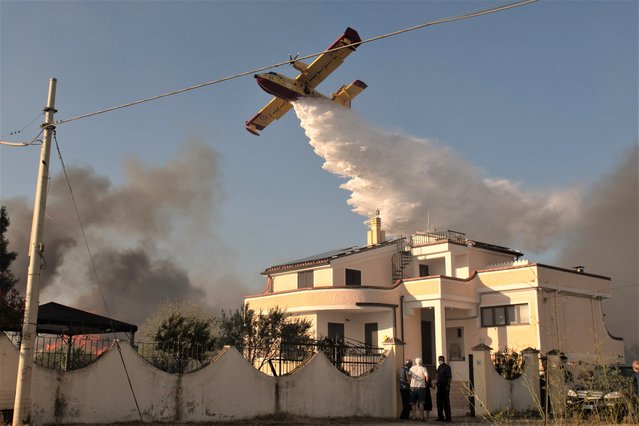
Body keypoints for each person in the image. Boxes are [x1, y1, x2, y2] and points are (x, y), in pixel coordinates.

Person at [435, 355, 452, 422]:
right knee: (439, 402)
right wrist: (435, 383)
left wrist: (448, 385)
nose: (440, 360)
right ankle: (440, 417)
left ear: (444, 360)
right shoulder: (439, 367)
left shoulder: (447, 367)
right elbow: (438, 377)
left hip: (445, 386)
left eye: (441, 359)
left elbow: (449, 377)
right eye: (439, 359)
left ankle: (448, 417)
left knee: (446, 402)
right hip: (439, 386)